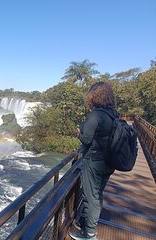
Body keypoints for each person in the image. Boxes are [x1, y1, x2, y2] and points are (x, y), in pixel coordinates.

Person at [69, 82, 117, 240]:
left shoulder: (95, 115)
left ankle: (89, 234)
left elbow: (86, 140)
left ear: (93, 96)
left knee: (91, 197)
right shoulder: (113, 114)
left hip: (94, 163)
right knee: (97, 194)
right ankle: (85, 224)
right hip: (108, 163)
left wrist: (78, 133)